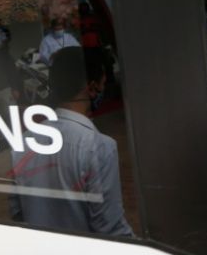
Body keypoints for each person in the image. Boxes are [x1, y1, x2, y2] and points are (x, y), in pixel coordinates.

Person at [10, 47, 133, 236]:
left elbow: (17, 212)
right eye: (102, 84)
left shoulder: (24, 142)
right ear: (91, 88)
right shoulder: (99, 147)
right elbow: (109, 227)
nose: (102, 90)